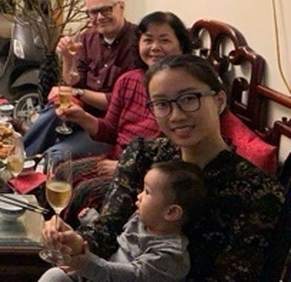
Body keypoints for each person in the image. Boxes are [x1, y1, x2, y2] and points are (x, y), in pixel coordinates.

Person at [47, 54, 284, 281]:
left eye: (189, 99)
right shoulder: (144, 154)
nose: (176, 115)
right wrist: (78, 243)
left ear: (219, 100)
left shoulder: (256, 192)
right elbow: (109, 227)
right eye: (162, 104)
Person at [55, 12, 194, 219]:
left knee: (86, 192)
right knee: (61, 173)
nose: (155, 47)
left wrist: (127, 167)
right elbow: (110, 132)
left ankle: (78, 246)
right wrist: (82, 116)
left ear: (181, 46)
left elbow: (179, 151)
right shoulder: (128, 80)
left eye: (164, 40)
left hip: (149, 175)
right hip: (115, 158)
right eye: (148, 40)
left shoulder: (184, 90)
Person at [41, 160, 207, 282]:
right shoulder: (140, 220)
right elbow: (118, 238)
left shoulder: (170, 256)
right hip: (102, 274)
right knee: (54, 275)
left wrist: (84, 263)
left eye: (147, 192)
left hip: (113, 276)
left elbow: (131, 276)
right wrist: (92, 220)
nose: (139, 195)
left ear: (171, 212)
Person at [25, 0, 139, 156]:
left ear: (121, 7)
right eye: (93, 12)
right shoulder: (87, 38)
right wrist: (67, 58)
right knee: (50, 114)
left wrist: (76, 92)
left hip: (107, 126)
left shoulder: (137, 42)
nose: (99, 17)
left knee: (56, 156)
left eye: (106, 10)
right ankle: (17, 162)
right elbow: (73, 79)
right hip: (80, 112)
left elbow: (115, 101)